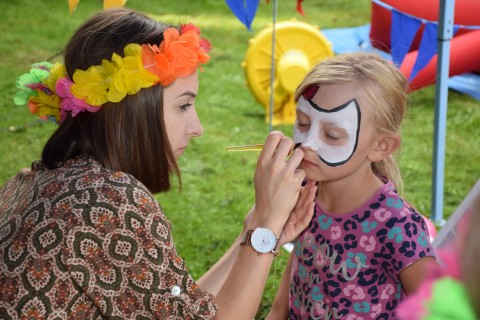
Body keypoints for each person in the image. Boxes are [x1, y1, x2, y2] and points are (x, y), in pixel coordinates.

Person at [0, 8, 318, 319]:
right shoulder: (109, 203)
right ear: (133, 110)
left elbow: (181, 308)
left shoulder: (46, 180)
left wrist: (252, 230)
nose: (197, 127)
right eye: (183, 106)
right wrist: (266, 229)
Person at [266, 52, 436, 319]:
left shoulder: (396, 225)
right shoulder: (306, 192)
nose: (308, 142)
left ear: (381, 146)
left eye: (332, 134)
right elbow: (301, 261)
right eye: (302, 122)